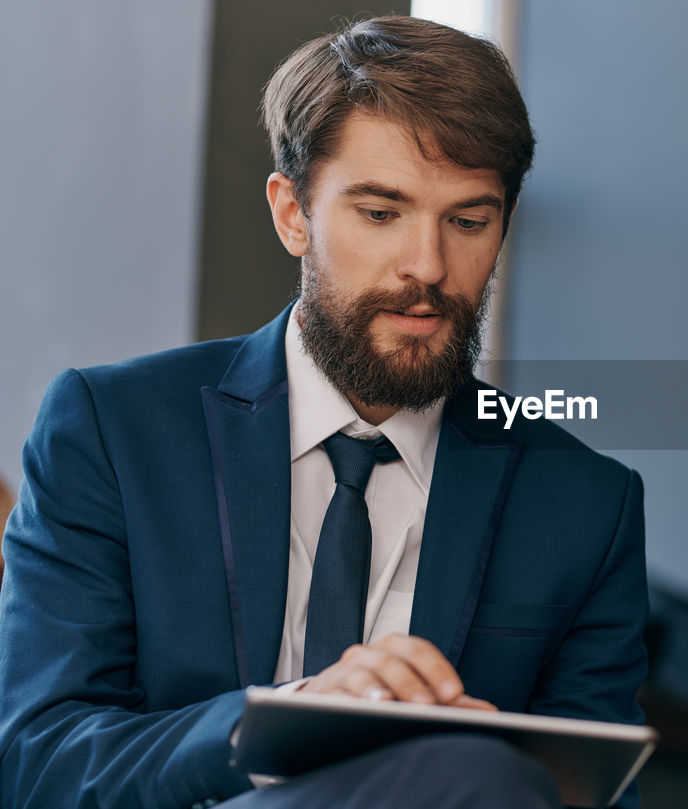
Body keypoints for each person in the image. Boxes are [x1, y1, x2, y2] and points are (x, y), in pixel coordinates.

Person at [0, 16, 648, 809]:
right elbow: (37, 760)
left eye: (468, 222)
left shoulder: (585, 504)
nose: (428, 266)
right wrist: (287, 719)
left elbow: (596, 794)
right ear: (292, 213)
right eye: (381, 213)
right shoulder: (112, 429)